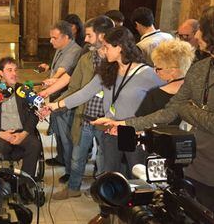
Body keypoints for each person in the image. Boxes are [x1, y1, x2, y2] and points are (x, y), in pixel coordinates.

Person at [92, 6, 214, 212]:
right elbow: (169, 111)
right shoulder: (200, 69)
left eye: (200, 29)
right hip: (196, 167)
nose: (197, 35)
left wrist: (186, 108)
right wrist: (123, 124)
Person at [46, 26, 164, 178]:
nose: (104, 51)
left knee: (137, 175)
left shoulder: (147, 74)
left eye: (107, 47)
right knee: (111, 176)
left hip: (135, 133)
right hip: (111, 131)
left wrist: (150, 126)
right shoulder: (108, 70)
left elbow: (166, 101)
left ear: (120, 47)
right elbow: (85, 93)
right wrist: (55, 105)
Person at [39, 16, 114, 199]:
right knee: (76, 158)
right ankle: (73, 189)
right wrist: (53, 104)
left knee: (105, 160)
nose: (85, 39)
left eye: (89, 35)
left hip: (108, 121)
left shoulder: (117, 61)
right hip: (84, 117)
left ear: (102, 36)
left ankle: (103, 193)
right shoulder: (86, 58)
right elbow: (75, 89)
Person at [0, 57, 41, 198]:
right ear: (1, 73)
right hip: (0, 134)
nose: (14, 73)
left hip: (20, 132)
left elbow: (34, 114)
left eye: (15, 70)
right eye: (9, 70)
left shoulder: (23, 90)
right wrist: (1, 133)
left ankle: (25, 185)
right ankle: (5, 184)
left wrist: (24, 134)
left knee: (34, 144)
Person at [38, 20, 82, 183]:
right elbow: (56, 69)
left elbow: (62, 73)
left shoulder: (74, 51)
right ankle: (61, 157)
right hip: (56, 97)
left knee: (66, 136)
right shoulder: (61, 48)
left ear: (66, 37)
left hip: (65, 99)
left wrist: (50, 84)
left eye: (54, 38)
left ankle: (71, 170)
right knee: (58, 131)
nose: (51, 41)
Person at [135, 39, 194, 124]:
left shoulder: (155, 96)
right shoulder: (200, 89)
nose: (155, 71)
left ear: (172, 70)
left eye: (158, 68)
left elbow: (139, 124)